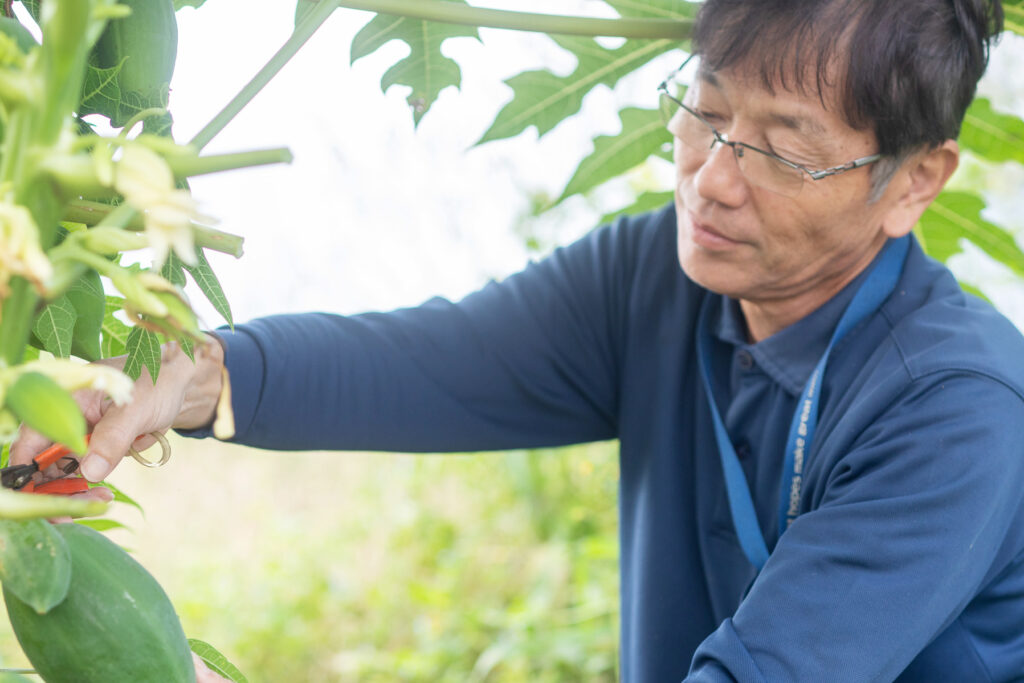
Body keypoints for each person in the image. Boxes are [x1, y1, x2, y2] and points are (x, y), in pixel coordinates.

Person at [14, 0, 1024, 680]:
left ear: (917, 180)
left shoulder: (959, 410)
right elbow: (426, 364)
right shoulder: (653, 279)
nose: (709, 179)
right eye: (704, 111)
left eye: (780, 150)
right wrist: (193, 374)